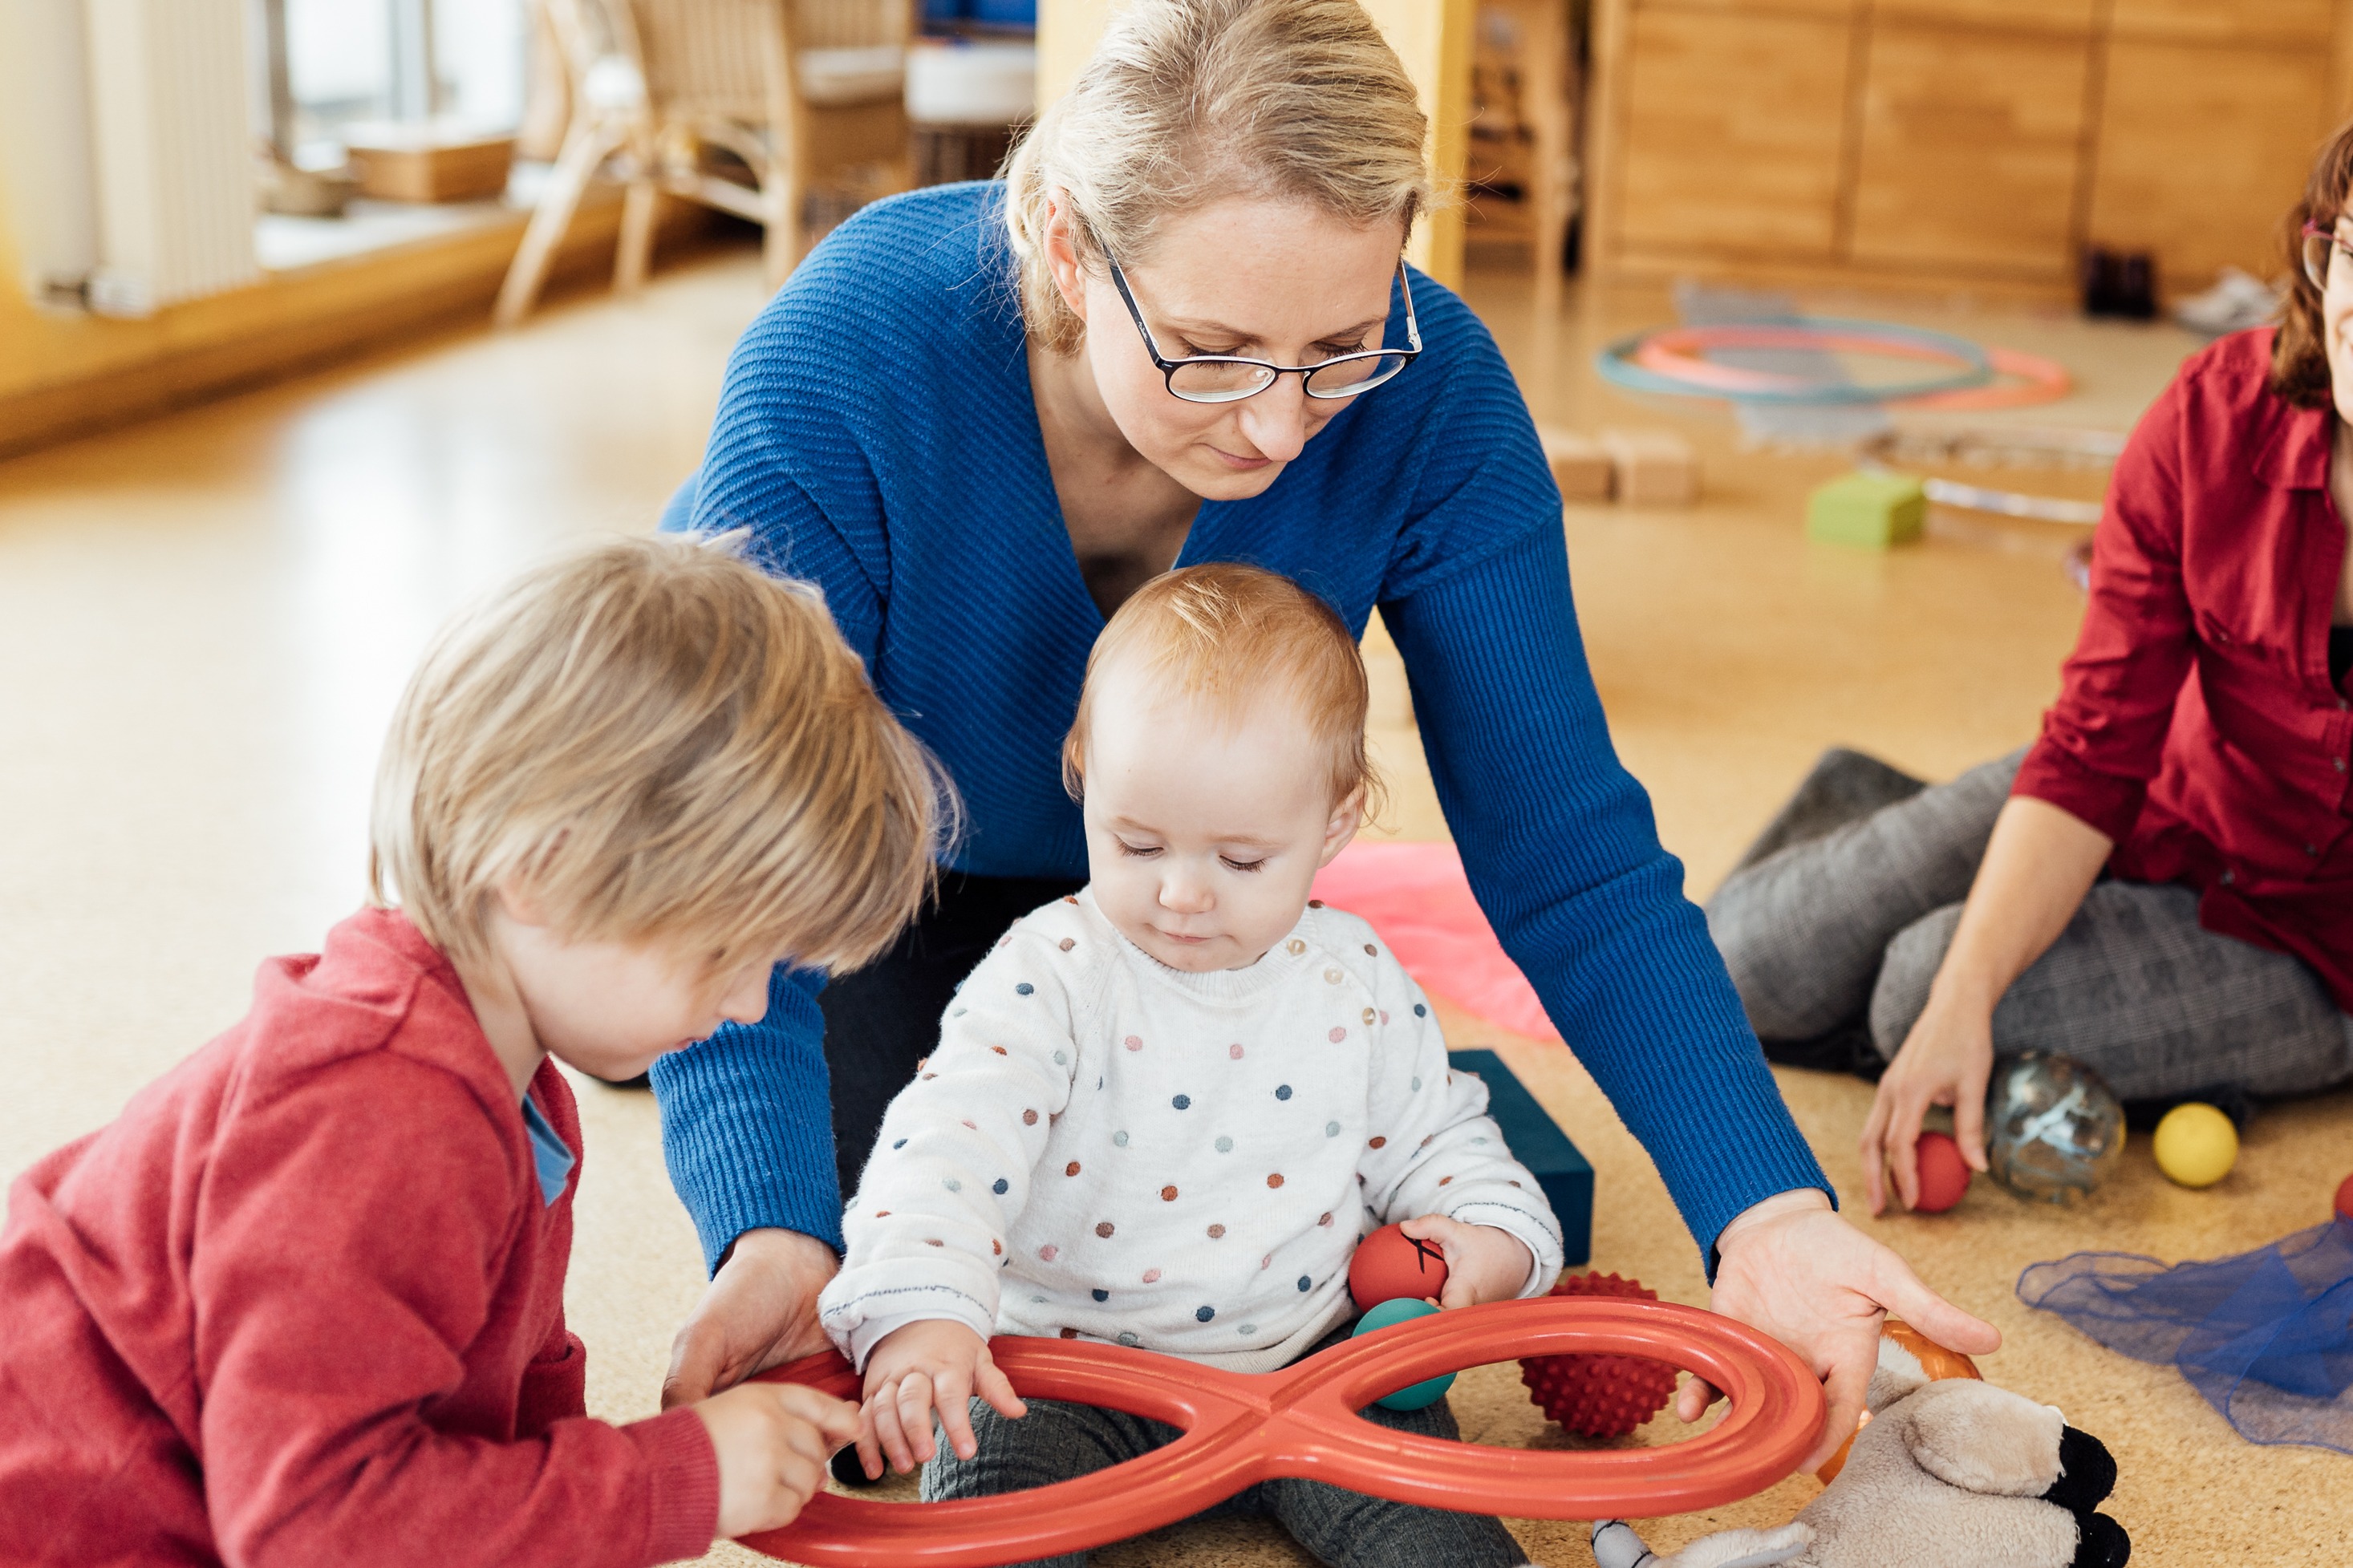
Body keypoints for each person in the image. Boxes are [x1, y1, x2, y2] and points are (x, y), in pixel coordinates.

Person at [653, 0, 1995, 1469]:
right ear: (1068, 251)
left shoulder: (1435, 389)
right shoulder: (847, 356)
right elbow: (724, 846)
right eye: (1213, 352)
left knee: (1336, 1220)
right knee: (911, 1270)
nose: (1282, 430)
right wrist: (765, 1231)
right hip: (875, 885)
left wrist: (1766, 1212)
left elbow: (1566, 846)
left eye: (1340, 348)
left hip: (1190, 884)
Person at [0, 537, 948, 1565]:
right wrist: (666, 1479)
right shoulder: (376, 1115)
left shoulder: (509, 1074)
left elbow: (495, 1390)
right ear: (541, 869)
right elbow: (314, 1528)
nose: (749, 1002)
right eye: (725, 950)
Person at [822, 565, 1564, 1567]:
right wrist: (921, 1310)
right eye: (1137, 843)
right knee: (987, 1528)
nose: (1179, 893)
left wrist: (1494, 1240)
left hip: (1313, 1360)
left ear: (1334, 823)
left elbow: (1437, 1139)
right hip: (1066, 1374)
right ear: (1084, 771)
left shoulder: (1353, 977)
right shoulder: (1050, 972)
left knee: (1445, 1545)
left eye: (1240, 860)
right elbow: (946, 1145)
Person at [1708, 124, 2353, 1217]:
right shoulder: (2210, 418)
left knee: (1913, 988)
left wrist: (1956, 991)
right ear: (2318, 255)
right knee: (1744, 962)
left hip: (2315, 946)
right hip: (2162, 798)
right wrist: (1973, 983)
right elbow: (2095, 750)